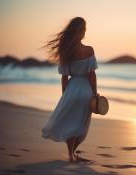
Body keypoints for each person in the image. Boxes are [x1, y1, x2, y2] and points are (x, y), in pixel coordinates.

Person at [41, 17, 98, 162]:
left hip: (72, 89)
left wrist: (65, 95)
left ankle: (70, 154)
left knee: (71, 122)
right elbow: (91, 74)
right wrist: (95, 93)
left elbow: (64, 77)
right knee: (81, 123)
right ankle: (72, 153)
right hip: (86, 90)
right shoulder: (89, 50)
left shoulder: (66, 52)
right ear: (83, 31)